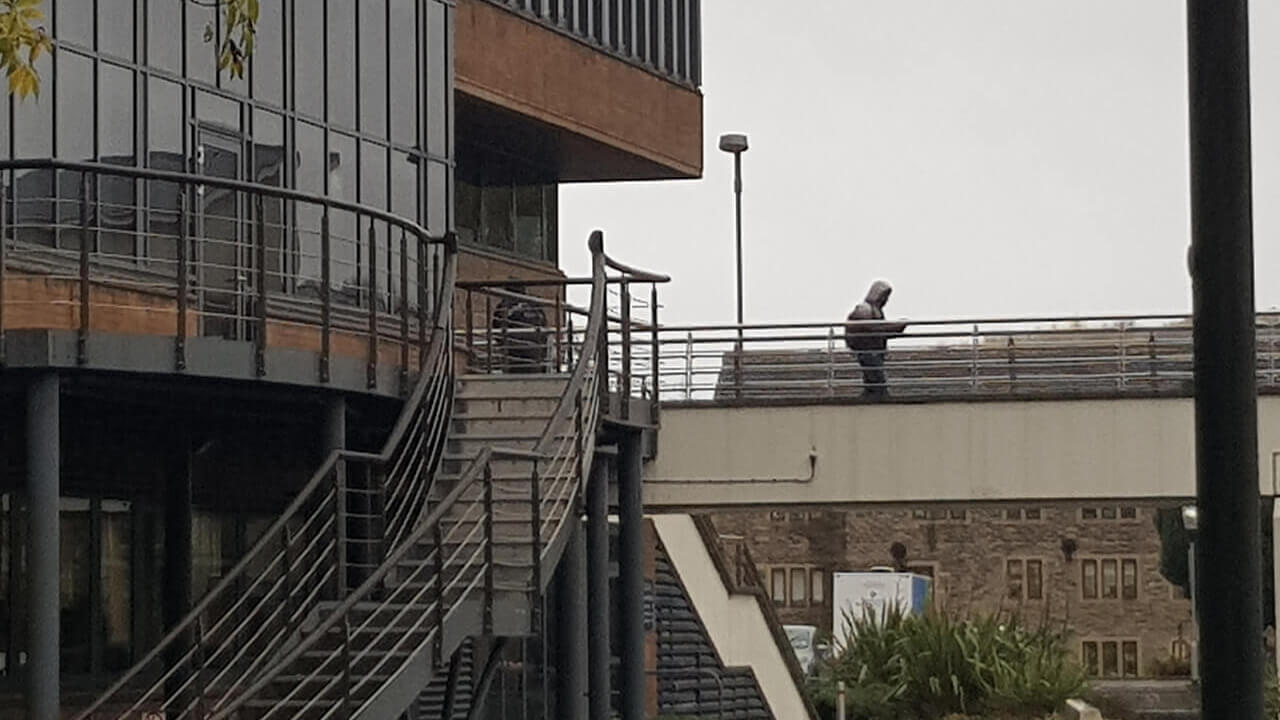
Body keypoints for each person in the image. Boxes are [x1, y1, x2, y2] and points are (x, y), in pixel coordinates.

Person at [844, 280, 908, 398]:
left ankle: (872, 395)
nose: (886, 300)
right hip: (867, 350)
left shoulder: (876, 311)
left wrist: (895, 328)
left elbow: (880, 330)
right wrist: (895, 327)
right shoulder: (864, 309)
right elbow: (875, 328)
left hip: (875, 351)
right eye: (884, 296)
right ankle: (876, 397)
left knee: (874, 378)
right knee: (877, 379)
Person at [493, 285, 548, 373]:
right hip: (535, 354)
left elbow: (496, 329)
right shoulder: (534, 304)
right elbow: (545, 328)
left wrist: (503, 344)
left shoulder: (504, 306)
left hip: (514, 355)